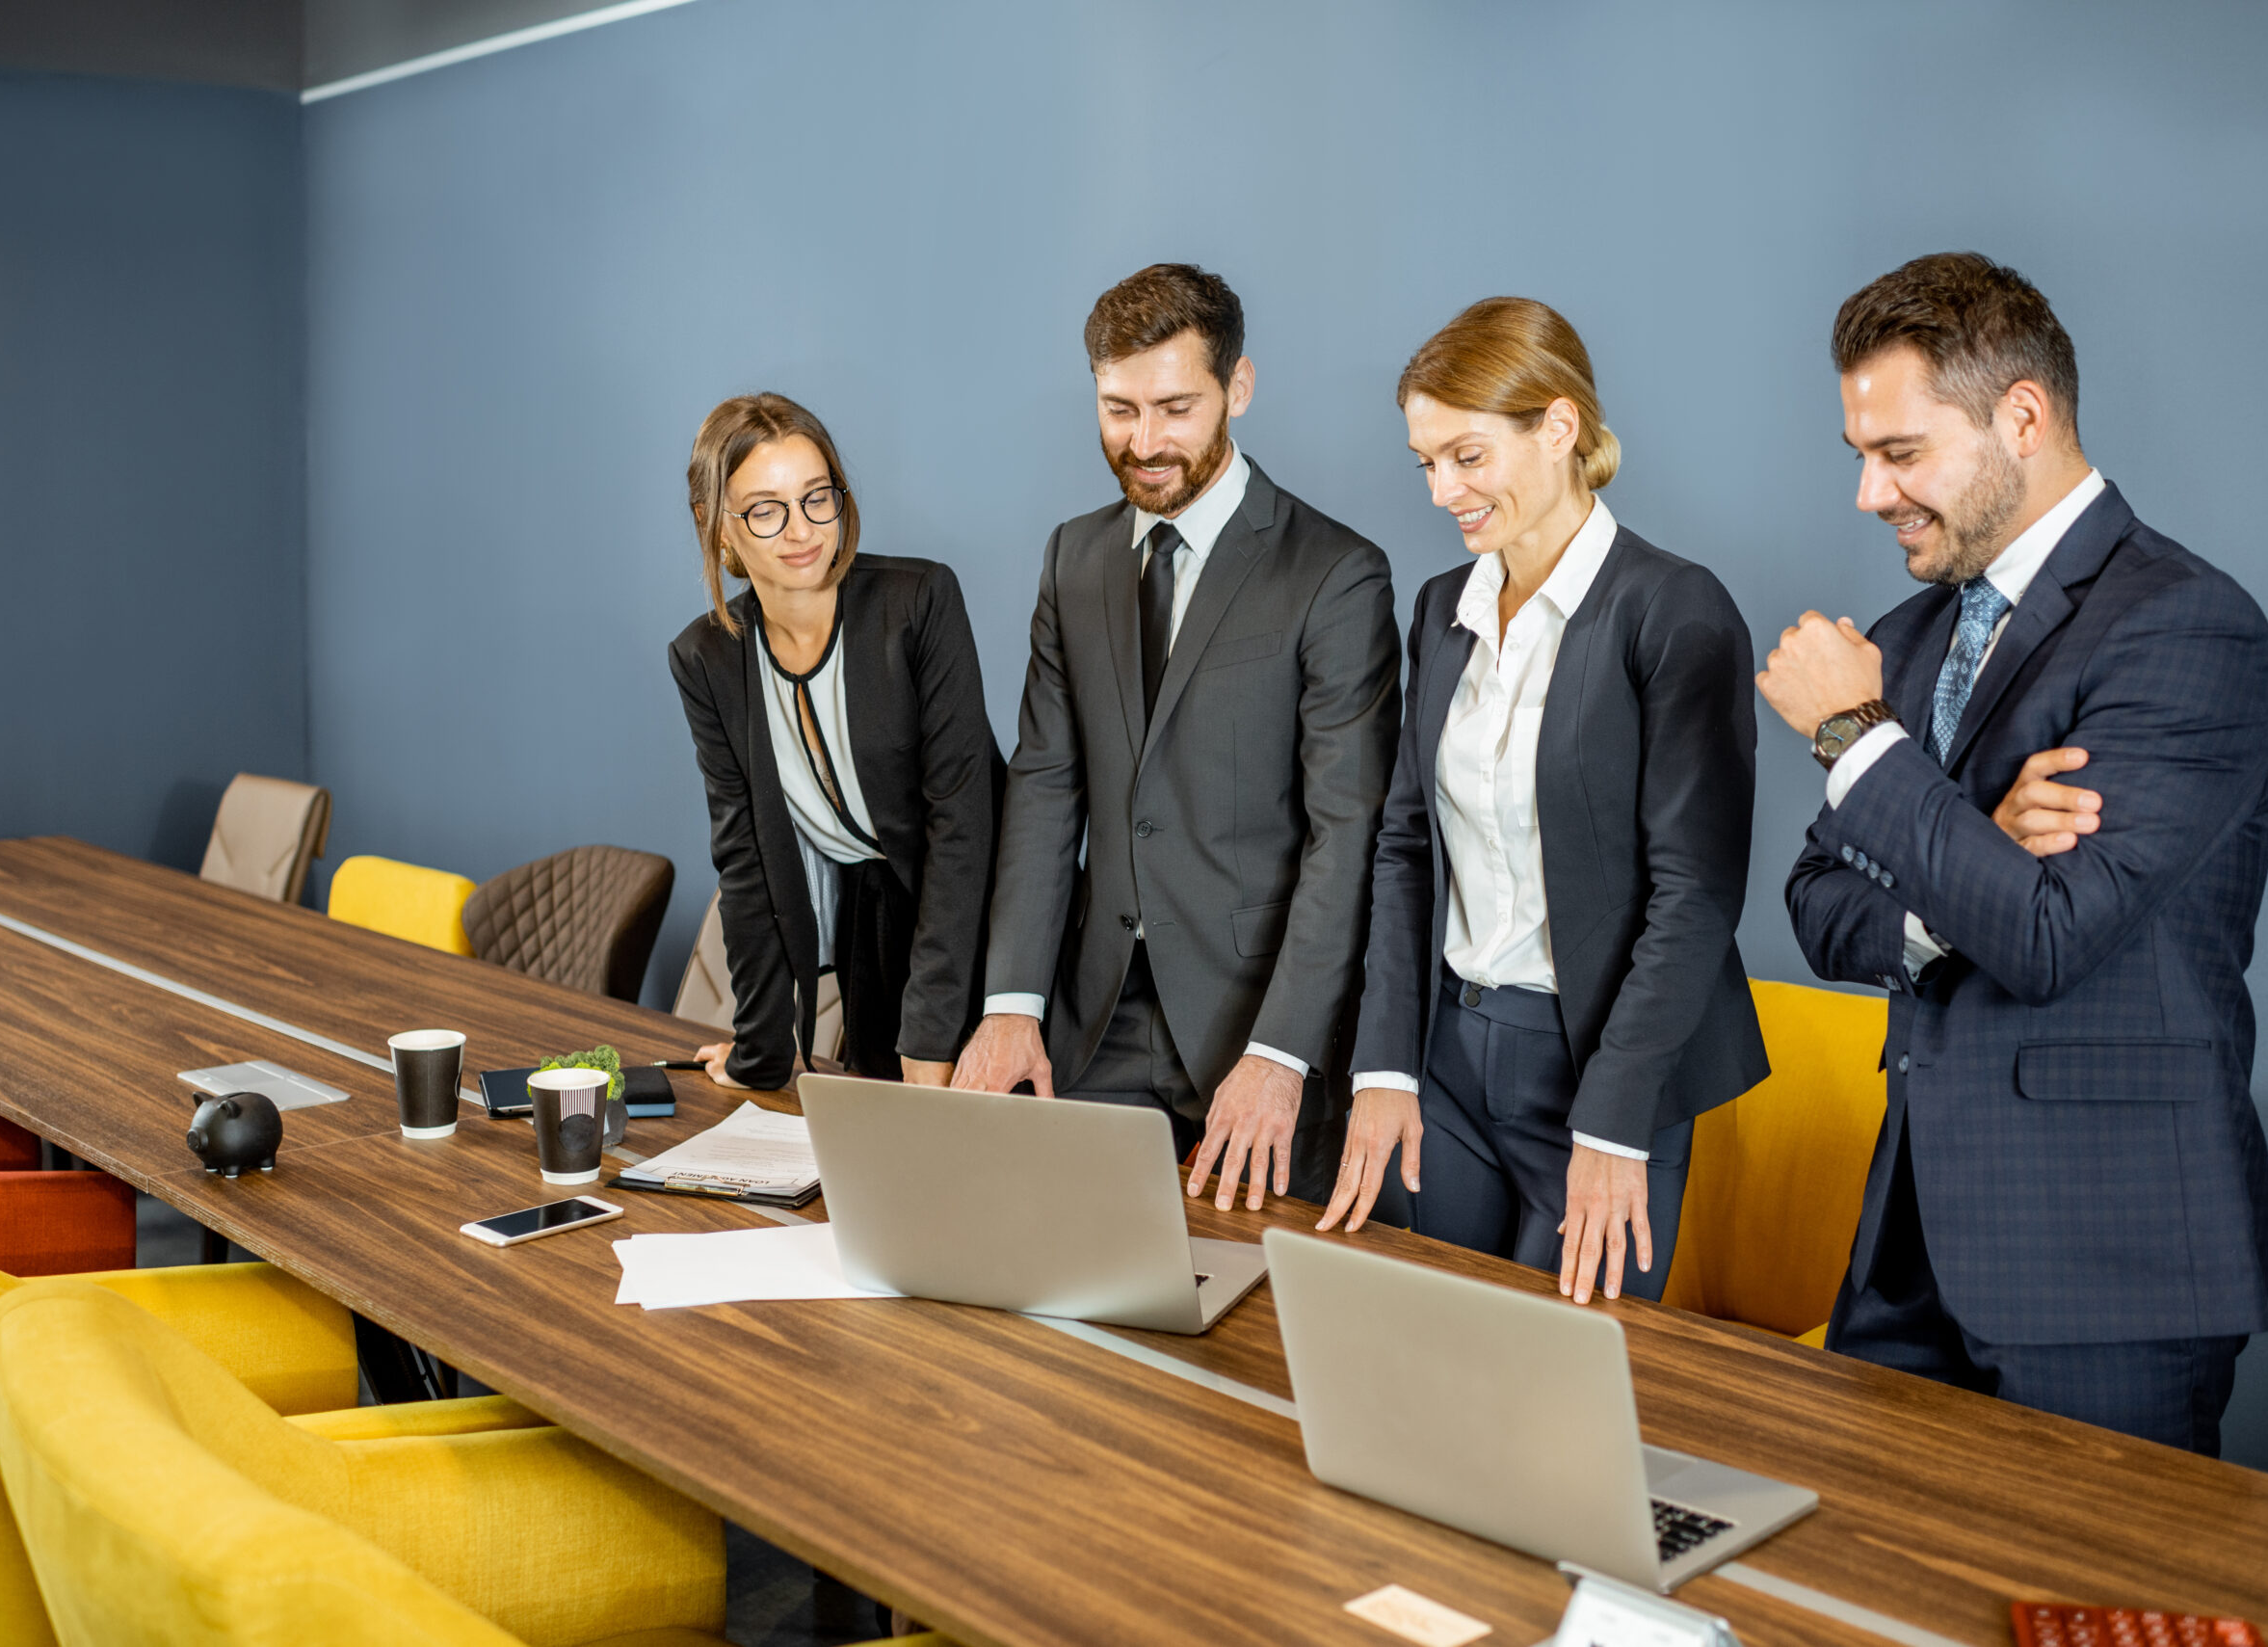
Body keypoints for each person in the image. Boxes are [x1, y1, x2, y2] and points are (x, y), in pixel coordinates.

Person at [1759, 252, 2268, 1454]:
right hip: (1905, 1251)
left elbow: (2047, 934)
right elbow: (1815, 899)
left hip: (2107, 1268)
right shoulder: (1906, 630)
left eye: (1898, 453)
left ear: (2023, 416)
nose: (1867, 493)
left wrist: (1854, 735)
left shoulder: (2186, 624)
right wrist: (1974, 850)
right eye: (1857, 455)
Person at [1317, 299, 1767, 1304]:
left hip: (1605, 1061)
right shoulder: (1442, 607)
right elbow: (1403, 843)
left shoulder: (1674, 609)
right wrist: (1384, 1064)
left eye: (1466, 457)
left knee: (1553, 1404)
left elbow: (1693, 892)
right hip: (1450, 1056)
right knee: (1427, 1349)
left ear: (1558, 427)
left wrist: (1616, 1117)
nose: (1441, 490)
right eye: (1425, 462)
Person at [951, 264, 1402, 1208]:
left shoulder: (1335, 574)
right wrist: (1010, 1004)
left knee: (1251, 1332)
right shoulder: (1073, 555)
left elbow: (1344, 834)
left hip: (1256, 1029)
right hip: (1092, 1016)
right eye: (1117, 409)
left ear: (1238, 387)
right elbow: (1042, 786)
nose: (1143, 442)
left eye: (1174, 407)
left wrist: (1279, 1054)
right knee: (1059, 1299)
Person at [670, 393, 1002, 1091]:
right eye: (765, 508)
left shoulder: (918, 602)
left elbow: (962, 830)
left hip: (990, 928)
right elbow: (747, 861)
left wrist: (933, 1034)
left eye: (817, 497)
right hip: (873, 940)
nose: (801, 529)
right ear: (716, 527)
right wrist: (759, 1049)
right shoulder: (708, 658)